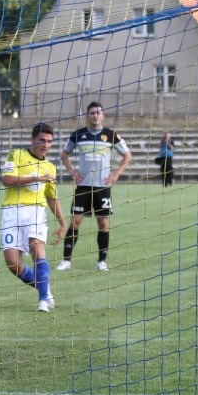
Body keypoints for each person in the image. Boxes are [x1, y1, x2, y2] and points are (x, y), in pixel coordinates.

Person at [56, 101, 132, 272]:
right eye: (92, 113)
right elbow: (64, 154)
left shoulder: (111, 135)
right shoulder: (78, 135)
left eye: (98, 112)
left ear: (103, 116)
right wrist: (72, 172)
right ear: (87, 116)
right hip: (83, 186)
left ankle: (102, 261)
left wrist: (116, 173)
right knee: (75, 222)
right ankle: (66, 260)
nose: (95, 115)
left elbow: (127, 155)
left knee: (103, 223)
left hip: (102, 187)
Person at [0, 122, 67, 313]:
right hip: (12, 212)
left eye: (49, 142)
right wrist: (36, 178)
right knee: (13, 264)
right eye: (42, 141)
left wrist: (62, 223)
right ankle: (43, 288)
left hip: (36, 211)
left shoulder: (50, 168)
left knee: (37, 248)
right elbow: (7, 180)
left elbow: (52, 197)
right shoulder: (16, 154)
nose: (46, 145)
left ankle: (43, 301)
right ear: (33, 139)